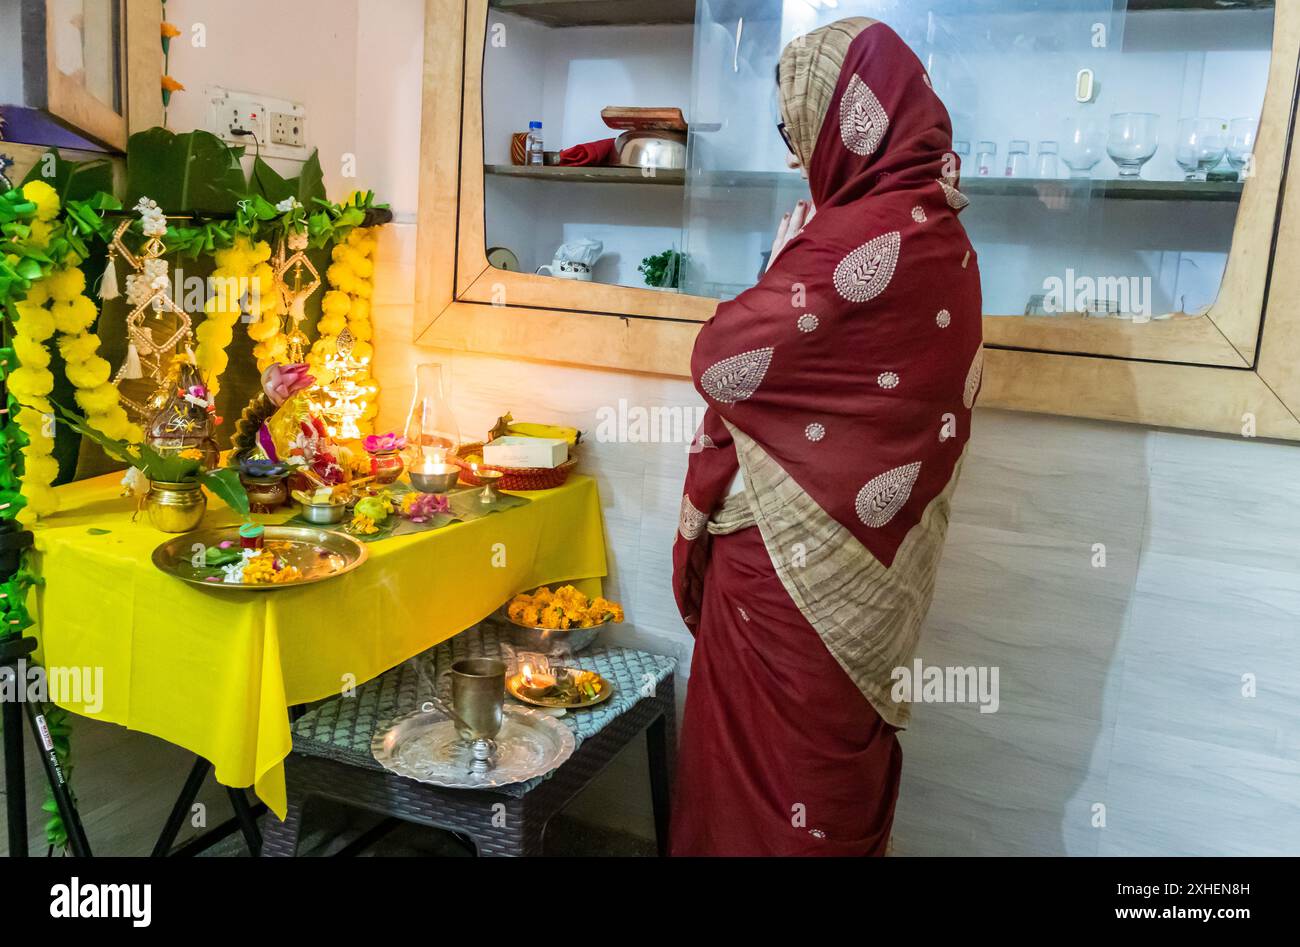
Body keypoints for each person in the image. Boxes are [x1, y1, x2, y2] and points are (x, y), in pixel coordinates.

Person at [669, 16, 983, 856]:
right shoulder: (945, 234)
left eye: (791, 130)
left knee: (756, 800)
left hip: (784, 579)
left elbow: (720, 356)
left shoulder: (856, 236)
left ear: (849, 118)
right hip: (874, 584)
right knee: (825, 793)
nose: (788, 155)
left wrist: (780, 267)